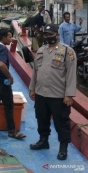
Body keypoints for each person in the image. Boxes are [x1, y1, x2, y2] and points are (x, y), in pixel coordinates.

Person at [29, 24, 77, 160]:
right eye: (46, 34)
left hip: (58, 95)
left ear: (57, 35)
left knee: (61, 122)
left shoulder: (68, 51)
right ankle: (43, 141)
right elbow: (35, 72)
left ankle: (63, 148)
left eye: (50, 34)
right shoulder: (41, 51)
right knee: (41, 119)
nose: (48, 37)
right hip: (40, 93)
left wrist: (69, 94)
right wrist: (32, 89)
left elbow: (71, 75)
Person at [0, 28, 26, 139]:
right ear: (3, 38)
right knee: (8, 106)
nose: (11, 39)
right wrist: (10, 76)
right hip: (3, 83)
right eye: (9, 37)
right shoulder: (3, 50)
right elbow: (1, 64)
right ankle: (12, 131)